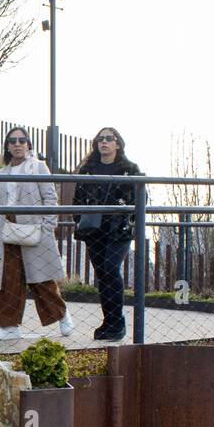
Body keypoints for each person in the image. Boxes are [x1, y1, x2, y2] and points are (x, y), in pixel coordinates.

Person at [0, 127, 72, 341]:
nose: (17, 144)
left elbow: (50, 198)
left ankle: (62, 315)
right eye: (13, 140)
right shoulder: (2, 173)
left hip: (34, 228)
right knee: (10, 279)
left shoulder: (38, 167)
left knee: (41, 277)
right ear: (7, 146)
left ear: (29, 144)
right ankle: (10, 326)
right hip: (8, 226)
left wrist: (47, 228)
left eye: (22, 140)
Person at [73, 126, 143, 342]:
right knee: (102, 274)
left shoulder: (129, 169)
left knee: (111, 268)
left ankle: (118, 322)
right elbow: (77, 199)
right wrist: (80, 220)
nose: (104, 142)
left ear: (117, 143)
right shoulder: (87, 169)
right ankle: (108, 322)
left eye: (109, 139)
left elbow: (139, 199)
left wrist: (130, 223)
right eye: (100, 139)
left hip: (118, 229)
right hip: (94, 229)